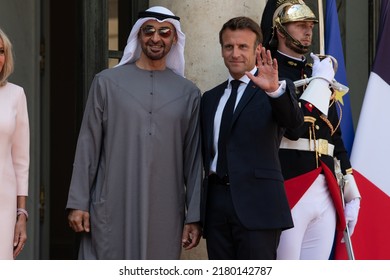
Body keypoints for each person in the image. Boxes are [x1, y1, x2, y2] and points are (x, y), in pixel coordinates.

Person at [66, 6, 202, 260]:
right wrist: (78, 202)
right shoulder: (106, 83)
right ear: (138, 36)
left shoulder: (189, 94)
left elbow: (194, 162)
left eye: (164, 32)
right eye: (148, 30)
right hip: (110, 206)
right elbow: (88, 147)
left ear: (174, 39)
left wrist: (193, 216)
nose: (156, 38)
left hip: (165, 211)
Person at [260, 0, 361, 259]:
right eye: (300, 25)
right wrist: (320, 81)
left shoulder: (316, 71)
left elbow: (332, 133)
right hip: (289, 183)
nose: (308, 31)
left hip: (324, 184)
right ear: (280, 30)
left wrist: (351, 189)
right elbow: (295, 124)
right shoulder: (270, 72)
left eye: (310, 26)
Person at [200, 16, 303, 260]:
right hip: (216, 207)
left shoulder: (276, 88)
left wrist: (274, 91)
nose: (235, 53)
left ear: (258, 49)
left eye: (243, 46)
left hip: (259, 207)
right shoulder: (209, 98)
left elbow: (295, 128)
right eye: (229, 46)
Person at [0, 27, 30, 260]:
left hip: (4, 205)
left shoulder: (16, 95)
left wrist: (21, 214)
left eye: (1, 51)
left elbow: (21, 162)